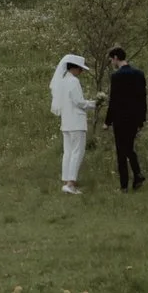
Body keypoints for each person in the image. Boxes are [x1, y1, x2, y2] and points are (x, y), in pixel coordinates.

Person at [48, 54, 96, 194]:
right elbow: (79, 102)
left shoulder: (62, 81)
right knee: (77, 152)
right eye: (80, 69)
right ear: (74, 68)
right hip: (76, 122)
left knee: (68, 152)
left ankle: (67, 181)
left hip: (66, 122)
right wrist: (93, 104)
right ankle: (71, 183)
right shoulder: (73, 81)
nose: (81, 72)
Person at [104, 46, 148, 191]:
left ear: (116, 58)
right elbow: (142, 98)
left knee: (121, 151)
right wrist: (142, 119)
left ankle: (124, 185)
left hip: (120, 118)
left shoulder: (116, 77)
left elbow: (114, 100)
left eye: (111, 59)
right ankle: (137, 175)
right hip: (134, 118)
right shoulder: (139, 74)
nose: (111, 62)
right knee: (129, 147)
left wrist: (107, 121)